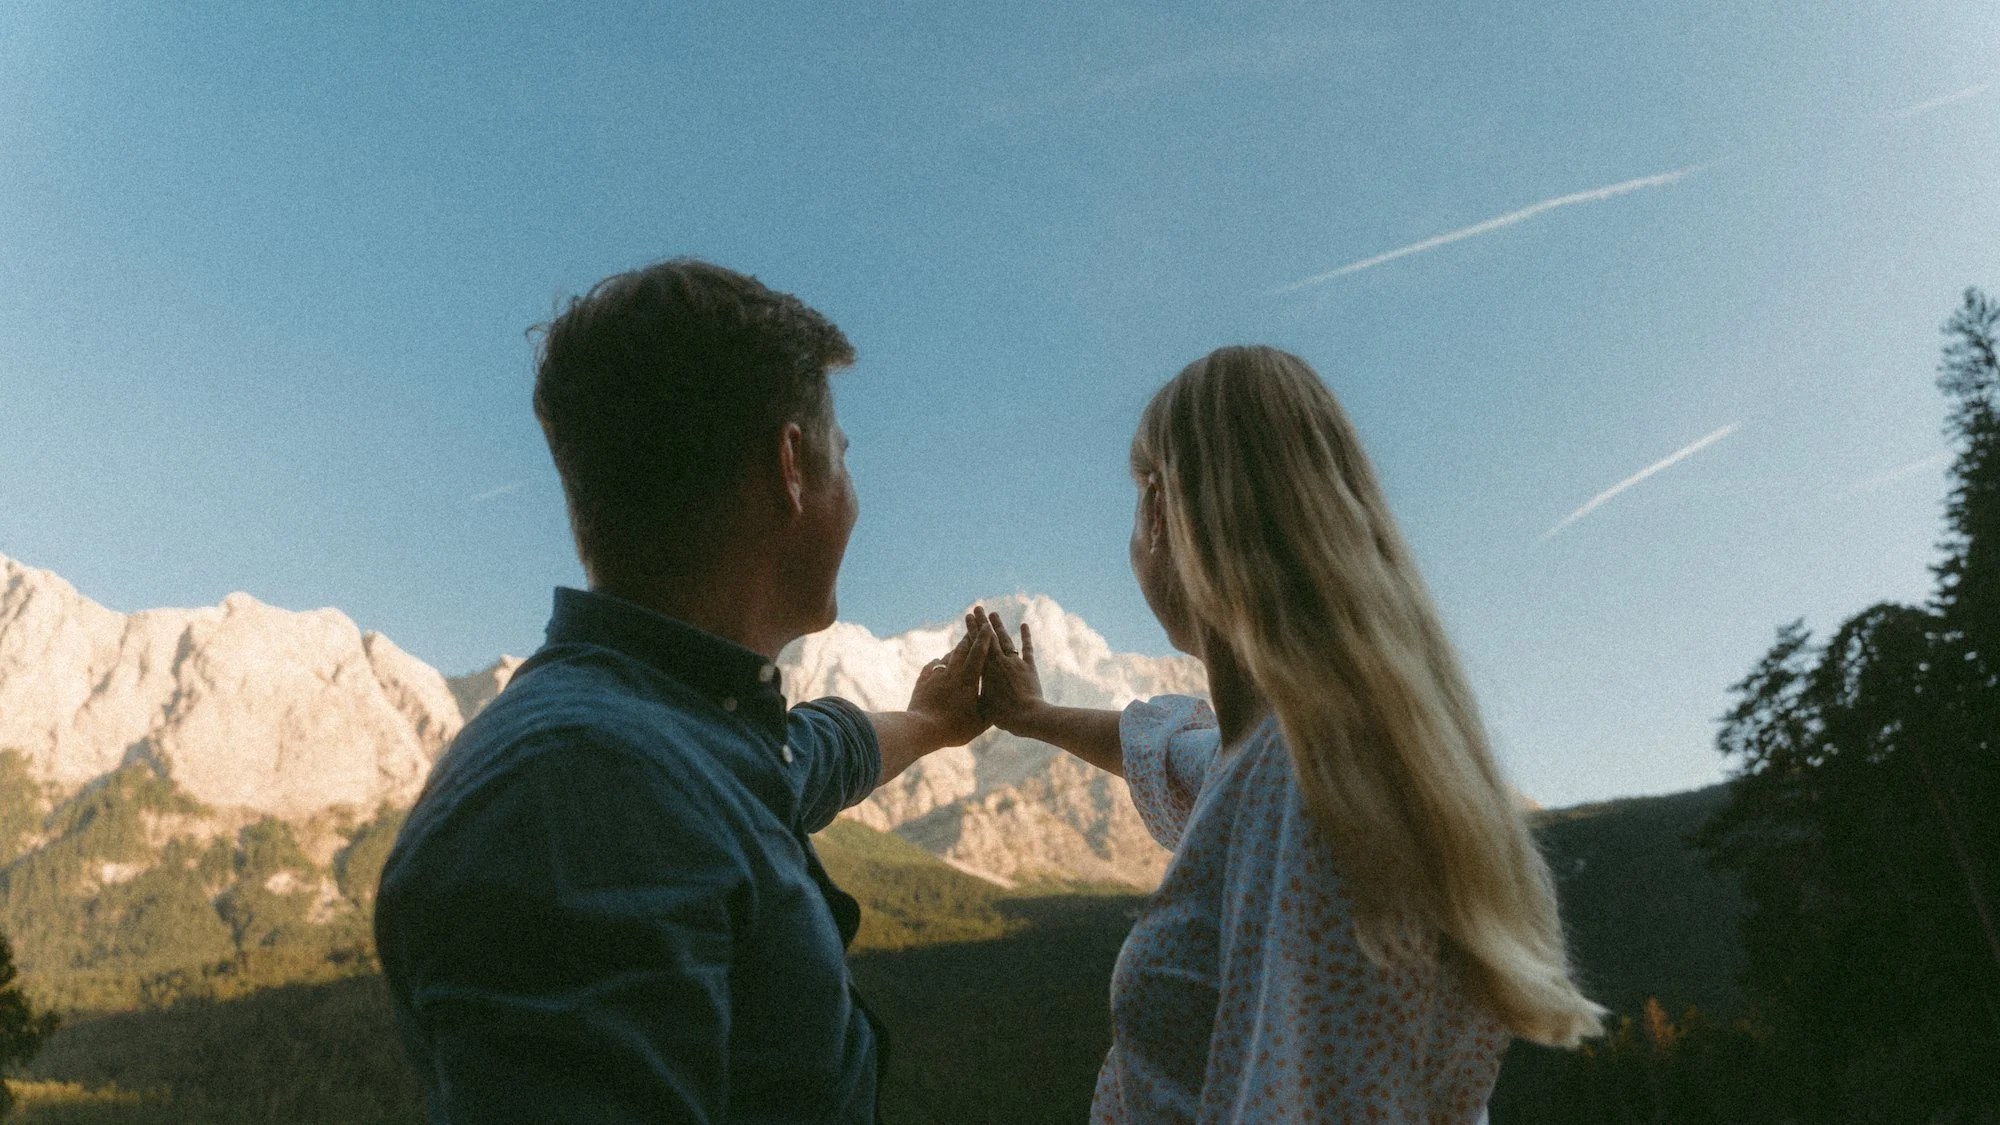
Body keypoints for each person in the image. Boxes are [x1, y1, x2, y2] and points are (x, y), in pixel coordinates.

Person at [374, 258, 993, 1123]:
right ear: (790, 465)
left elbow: (804, 757)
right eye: (844, 460)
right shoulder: (582, 787)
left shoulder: (664, 728)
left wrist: (929, 722)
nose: (855, 499)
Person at [974, 345, 1604, 1123]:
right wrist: (1034, 716)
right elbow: (1173, 750)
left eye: (1141, 496)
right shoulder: (1298, 757)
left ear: (1163, 511)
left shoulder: (1306, 780)